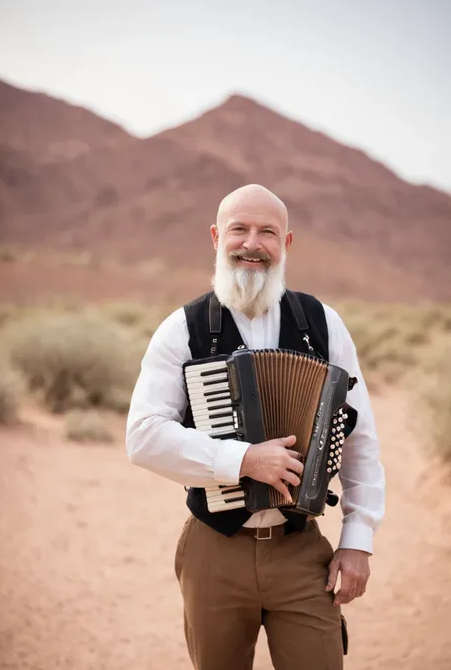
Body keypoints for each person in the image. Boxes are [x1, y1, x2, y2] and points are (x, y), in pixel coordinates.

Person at [126, 184, 385, 670]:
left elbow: (360, 438)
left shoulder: (323, 323)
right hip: (213, 548)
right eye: (239, 229)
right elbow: (142, 436)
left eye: (267, 231)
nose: (252, 243)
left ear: (286, 244)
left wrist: (357, 541)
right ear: (215, 237)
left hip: (301, 548)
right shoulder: (182, 328)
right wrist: (242, 459)